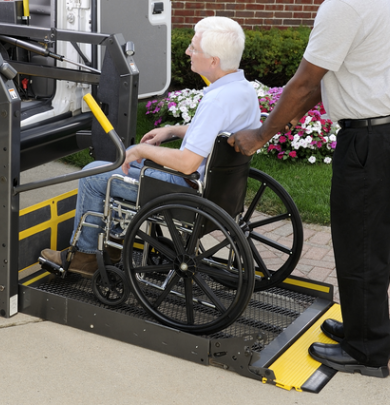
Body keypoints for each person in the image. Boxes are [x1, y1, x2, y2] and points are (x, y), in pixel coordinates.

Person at [228, 0, 390, 378]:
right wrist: (294, 109)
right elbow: (333, 75)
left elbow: (306, 80)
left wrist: (261, 134)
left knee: (360, 243)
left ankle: (367, 352)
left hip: (368, 139)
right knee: (373, 240)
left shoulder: (343, 6)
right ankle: (365, 328)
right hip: (382, 132)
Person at [41, 16, 261, 277]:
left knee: (94, 174)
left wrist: (141, 150)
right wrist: (171, 130)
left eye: (194, 48)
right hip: (218, 190)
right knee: (125, 166)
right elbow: (215, 134)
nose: (188, 52)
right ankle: (110, 246)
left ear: (213, 60)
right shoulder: (243, 90)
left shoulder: (216, 100)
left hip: (186, 189)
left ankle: (86, 256)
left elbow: (188, 163)